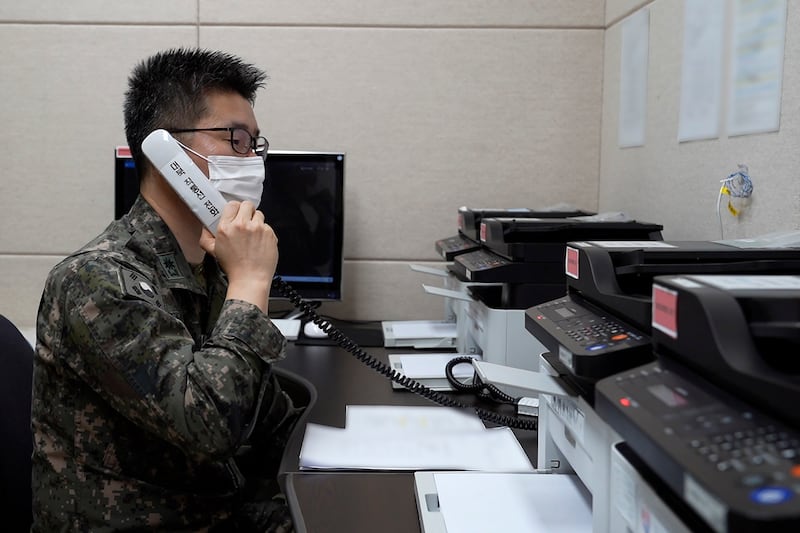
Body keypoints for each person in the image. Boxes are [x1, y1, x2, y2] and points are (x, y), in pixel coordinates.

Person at [31, 48, 302, 532]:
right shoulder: (94, 281)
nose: (253, 161)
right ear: (167, 151)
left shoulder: (208, 269)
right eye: (235, 139)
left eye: (255, 145)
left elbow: (263, 417)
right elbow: (209, 428)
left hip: (213, 504)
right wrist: (251, 281)